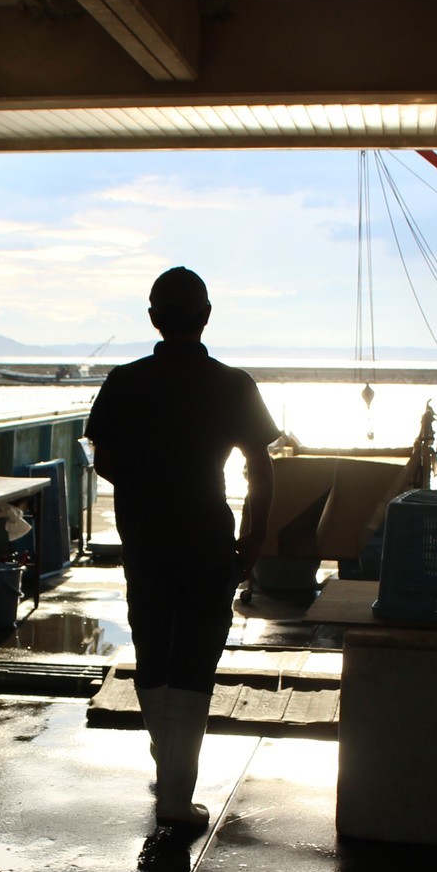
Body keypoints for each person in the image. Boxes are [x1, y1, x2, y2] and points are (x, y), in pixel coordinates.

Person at [85, 267, 277, 833]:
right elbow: (261, 471)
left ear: (153, 319)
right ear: (206, 317)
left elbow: (104, 461)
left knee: (154, 652)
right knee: (195, 659)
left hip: (145, 538)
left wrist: (149, 486)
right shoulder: (233, 384)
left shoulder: (123, 381)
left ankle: (166, 763)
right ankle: (175, 793)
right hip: (208, 539)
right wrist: (253, 538)